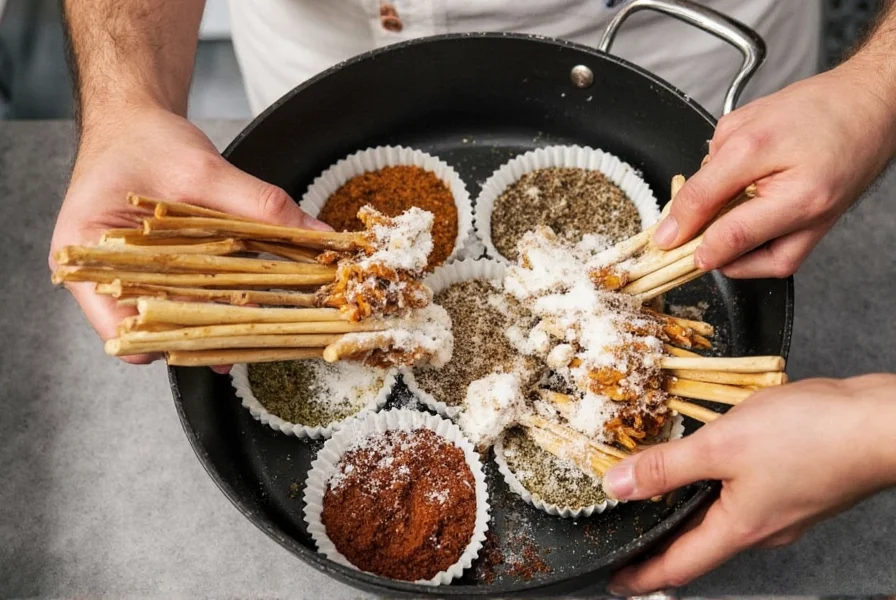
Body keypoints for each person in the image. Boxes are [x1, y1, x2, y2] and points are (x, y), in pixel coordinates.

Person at [48, 0, 896, 593]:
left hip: (696, 63)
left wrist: (874, 90)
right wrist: (127, 97)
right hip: (331, 51)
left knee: (726, 230)